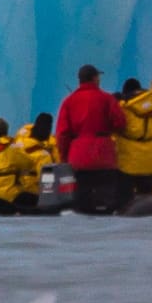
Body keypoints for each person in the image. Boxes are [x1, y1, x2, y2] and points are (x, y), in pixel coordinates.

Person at [53, 64, 128, 213]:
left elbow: (62, 134)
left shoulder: (69, 102)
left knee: (82, 202)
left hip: (78, 156)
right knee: (107, 201)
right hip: (104, 154)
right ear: (95, 78)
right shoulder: (107, 99)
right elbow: (121, 123)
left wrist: (63, 157)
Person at [0, 118, 39, 213]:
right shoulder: (9, 148)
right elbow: (28, 163)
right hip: (11, 196)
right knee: (38, 201)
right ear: (5, 131)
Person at [114, 77, 152, 199]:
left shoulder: (123, 106)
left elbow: (116, 125)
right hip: (149, 159)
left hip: (128, 161)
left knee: (125, 200)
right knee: (147, 198)